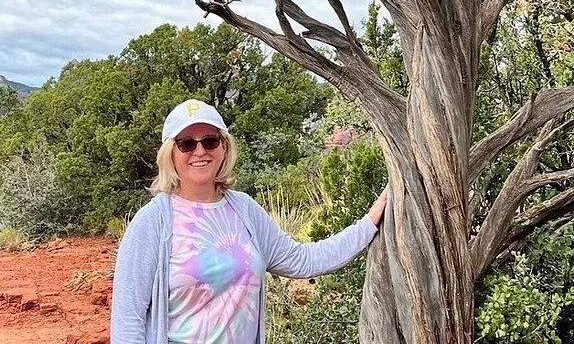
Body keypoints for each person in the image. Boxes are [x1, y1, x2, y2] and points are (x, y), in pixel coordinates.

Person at [111, 98, 387, 344]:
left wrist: (369, 222)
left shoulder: (243, 209)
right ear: (170, 154)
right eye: (186, 143)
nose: (200, 151)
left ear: (224, 147)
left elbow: (303, 259)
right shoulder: (153, 222)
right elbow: (127, 321)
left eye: (210, 140)